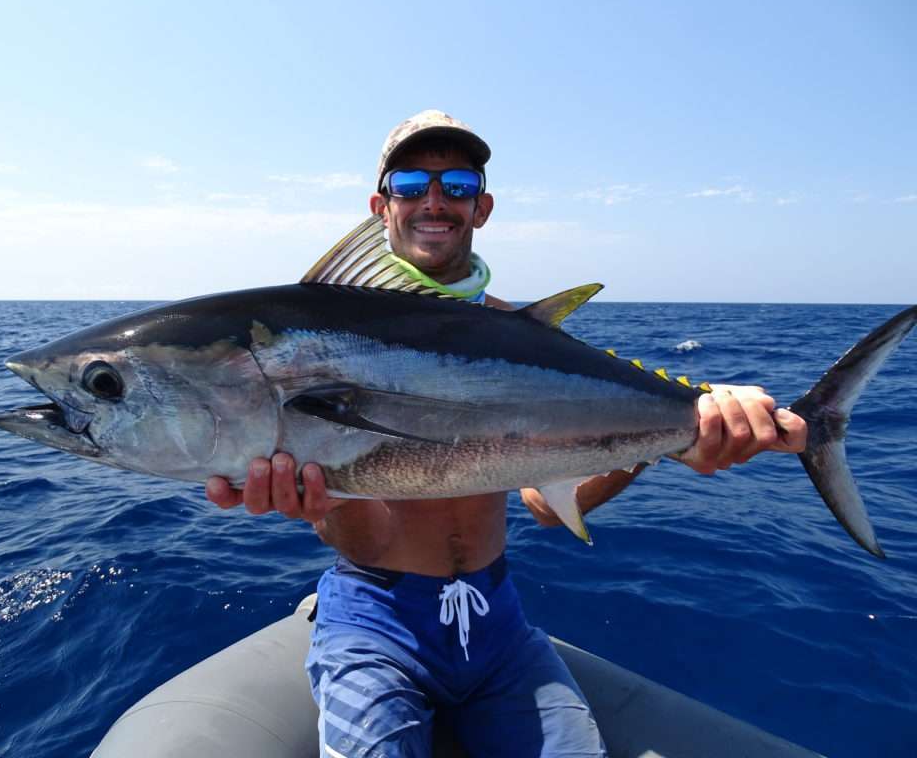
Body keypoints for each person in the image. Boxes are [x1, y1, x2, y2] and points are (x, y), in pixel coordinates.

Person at [206, 110, 808, 757]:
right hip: (375, 620)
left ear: (482, 207)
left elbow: (547, 505)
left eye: (457, 185)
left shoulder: (525, 338)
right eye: (410, 183)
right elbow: (371, 541)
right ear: (381, 207)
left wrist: (665, 438)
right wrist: (324, 503)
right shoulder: (318, 343)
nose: (434, 200)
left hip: (498, 623)